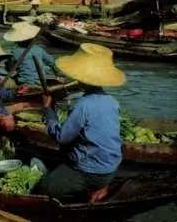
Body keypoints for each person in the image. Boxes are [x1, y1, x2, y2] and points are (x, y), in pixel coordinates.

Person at [34, 43, 125, 202]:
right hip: (111, 168)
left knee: (43, 188)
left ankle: (88, 188)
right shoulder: (112, 101)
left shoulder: (84, 105)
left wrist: (48, 110)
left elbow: (61, 137)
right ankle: (101, 185)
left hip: (92, 172)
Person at [3, 22, 61, 86]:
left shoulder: (15, 52)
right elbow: (52, 62)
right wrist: (58, 75)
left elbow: (10, 69)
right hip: (41, 82)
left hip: (24, 83)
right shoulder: (39, 49)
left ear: (17, 41)